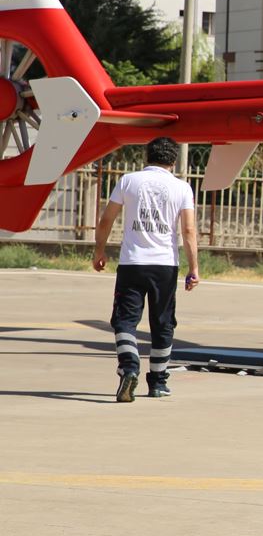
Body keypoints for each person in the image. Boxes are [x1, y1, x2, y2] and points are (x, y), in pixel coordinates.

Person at [93, 137, 200, 402]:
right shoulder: (182, 187)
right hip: (165, 266)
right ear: (173, 161)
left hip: (132, 263)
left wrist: (99, 250)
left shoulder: (129, 181)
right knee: (162, 323)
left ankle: (129, 368)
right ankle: (158, 382)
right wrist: (194, 268)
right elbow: (188, 230)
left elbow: (107, 219)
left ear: (147, 156)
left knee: (125, 320)